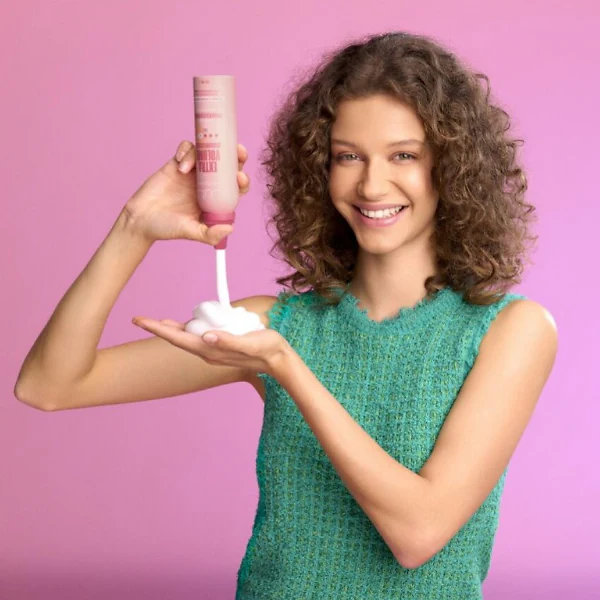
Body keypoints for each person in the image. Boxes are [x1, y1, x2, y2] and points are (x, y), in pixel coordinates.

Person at [15, 31, 558, 599]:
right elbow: (50, 385)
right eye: (348, 156)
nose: (372, 184)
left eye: (404, 155)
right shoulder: (276, 326)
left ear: (452, 167)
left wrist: (285, 366)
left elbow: (417, 534)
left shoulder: (509, 331)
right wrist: (135, 227)